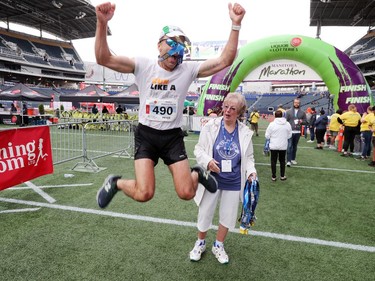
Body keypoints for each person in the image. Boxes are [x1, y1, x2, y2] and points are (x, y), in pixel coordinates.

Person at [94, 2, 246, 208]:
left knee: (186, 193)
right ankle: (116, 183)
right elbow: (104, 58)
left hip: (172, 137)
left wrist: (235, 24)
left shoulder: (188, 70)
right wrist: (102, 23)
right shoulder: (143, 66)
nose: (178, 48)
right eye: (173, 42)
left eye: (181, 44)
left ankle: (197, 173)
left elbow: (225, 60)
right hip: (147, 135)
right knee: (144, 193)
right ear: (159, 45)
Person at [190, 93, 257, 264]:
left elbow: (248, 158)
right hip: (211, 179)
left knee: (227, 216)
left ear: (240, 112)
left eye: (232, 108)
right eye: (226, 106)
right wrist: (208, 161)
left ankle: (218, 245)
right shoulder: (210, 126)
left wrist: (251, 172)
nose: (227, 111)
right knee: (205, 213)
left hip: (234, 181)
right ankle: (201, 242)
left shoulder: (245, 132)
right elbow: (198, 150)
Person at [265, 110, 292, 181]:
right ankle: (282, 176)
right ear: (282, 115)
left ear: (275, 116)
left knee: (273, 161)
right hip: (283, 145)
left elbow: (267, 136)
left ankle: (273, 176)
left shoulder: (272, 124)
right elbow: (290, 135)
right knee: (282, 161)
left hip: (273, 145)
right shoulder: (287, 124)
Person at [285, 98, 307, 167]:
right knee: (289, 146)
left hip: (297, 132)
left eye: (298, 103)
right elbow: (285, 121)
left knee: (294, 146)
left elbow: (306, 122)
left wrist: (301, 121)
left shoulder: (303, 112)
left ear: (299, 103)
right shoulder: (288, 112)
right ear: (293, 103)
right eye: (295, 102)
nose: (296, 104)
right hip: (290, 131)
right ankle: (288, 160)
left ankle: (293, 159)